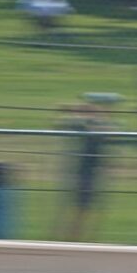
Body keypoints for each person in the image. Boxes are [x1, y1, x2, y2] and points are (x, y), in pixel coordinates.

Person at [59, 94, 116, 241]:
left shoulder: (97, 127)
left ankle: (76, 236)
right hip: (86, 173)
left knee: (83, 209)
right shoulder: (90, 127)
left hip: (90, 172)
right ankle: (74, 237)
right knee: (81, 209)